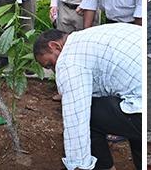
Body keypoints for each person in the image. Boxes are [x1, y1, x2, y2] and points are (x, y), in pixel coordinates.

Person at [33, 24, 143, 170]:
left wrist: (78, 165)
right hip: (145, 100)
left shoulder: (68, 59)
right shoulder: (87, 38)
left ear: (55, 46)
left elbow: (76, 118)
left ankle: (102, 167)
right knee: (113, 109)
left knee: (88, 115)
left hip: (141, 107)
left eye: (50, 64)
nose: (54, 70)